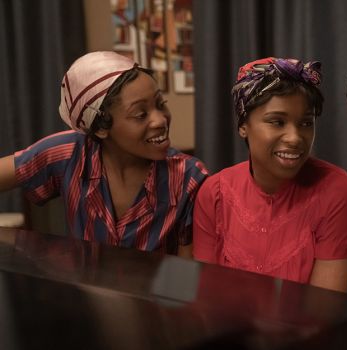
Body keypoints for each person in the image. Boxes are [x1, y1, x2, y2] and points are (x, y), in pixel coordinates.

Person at [0, 51, 208, 257]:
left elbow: (188, 275)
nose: (160, 120)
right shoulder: (68, 153)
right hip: (81, 290)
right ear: (100, 127)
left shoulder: (188, 178)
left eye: (160, 104)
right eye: (140, 114)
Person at [193, 57, 347, 292]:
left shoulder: (336, 190)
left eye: (305, 123)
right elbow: (206, 293)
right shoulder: (214, 193)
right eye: (277, 122)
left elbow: (323, 308)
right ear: (243, 126)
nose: (295, 138)